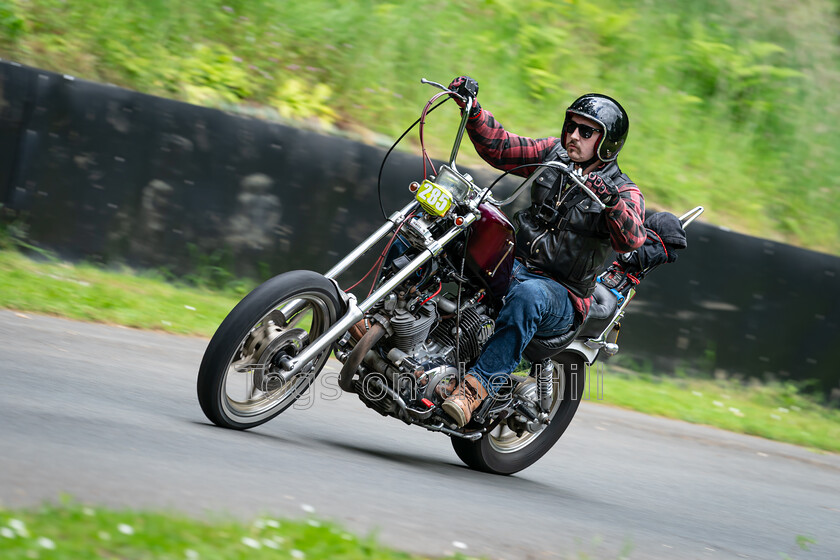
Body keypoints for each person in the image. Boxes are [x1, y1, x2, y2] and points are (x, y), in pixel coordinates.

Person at [440, 76, 647, 428]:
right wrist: (473, 111)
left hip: (561, 293)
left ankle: (475, 389)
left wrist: (610, 202)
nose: (573, 137)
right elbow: (503, 147)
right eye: (572, 127)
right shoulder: (554, 155)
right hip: (514, 263)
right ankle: (387, 320)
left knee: (529, 295)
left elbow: (632, 237)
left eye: (587, 132)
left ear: (607, 143)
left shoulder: (624, 190)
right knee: (443, 228)